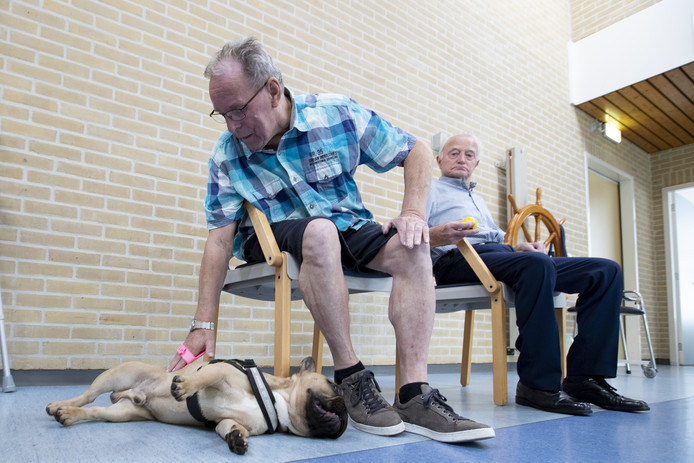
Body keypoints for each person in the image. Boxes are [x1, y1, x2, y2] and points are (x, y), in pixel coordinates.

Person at [167, 38, 494, 443]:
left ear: (272, 90)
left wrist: (412, 213)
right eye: (223, 114)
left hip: (349, 226)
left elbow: (417, 151)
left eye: (238, 110)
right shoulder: (225, 155)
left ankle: (415, 393)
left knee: (414, 244)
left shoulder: (336, 113)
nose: (233, 125)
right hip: (272, 235)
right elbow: (218, 241)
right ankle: (351, 378)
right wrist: (203, 323)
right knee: (319, 231)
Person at [427, 133, 650, 415]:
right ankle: (538, 386)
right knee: (537, 264)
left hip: (497, 256)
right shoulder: (429, 190)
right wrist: (441, 235)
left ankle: (586, 378)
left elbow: (495, 239)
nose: (461, 159)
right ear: (439, 160)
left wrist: (521, 247)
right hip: (456, 261)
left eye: (469, 155)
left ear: (477, 163)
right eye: (454, 153)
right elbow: (413, 232)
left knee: (605, 271)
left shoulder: (477, 199)